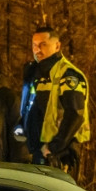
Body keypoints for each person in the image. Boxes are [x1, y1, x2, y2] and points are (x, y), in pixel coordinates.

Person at [17, 26, 89, 173]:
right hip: (35, 151)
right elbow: (30, 109)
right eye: (34, 45)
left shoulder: (68, 74)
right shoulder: (34, 73)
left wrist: (53, 147)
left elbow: (75, 113)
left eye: (43, 44)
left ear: (57, 46)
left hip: (56, 154)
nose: (37, 50)